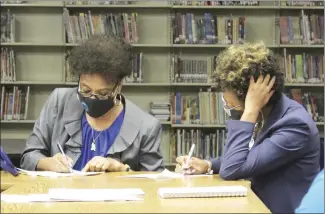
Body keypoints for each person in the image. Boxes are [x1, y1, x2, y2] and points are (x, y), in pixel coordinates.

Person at [175, 42, 320, 213]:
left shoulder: (294, 125)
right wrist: (207, 165)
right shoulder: (268, 114)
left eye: (232, 105)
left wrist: (250, 111)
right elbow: (250, 157)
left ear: (256, 100)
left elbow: (232, 168)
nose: (228, 109)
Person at [20, 35, 164, 173]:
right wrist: (49, 163)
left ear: (119, 86)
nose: (92, 98)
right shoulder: (59, 101)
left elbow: (155, 183)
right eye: (85, 90)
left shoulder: (146, 127)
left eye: (103, 93)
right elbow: (29, 156)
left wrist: (121, 169)